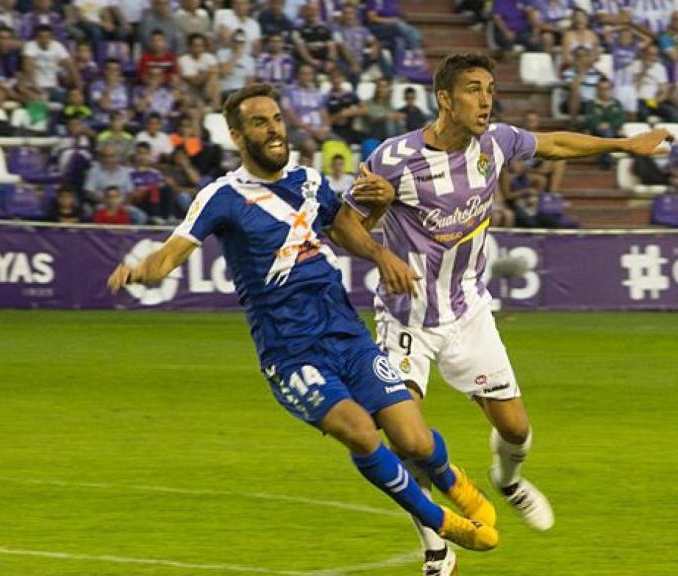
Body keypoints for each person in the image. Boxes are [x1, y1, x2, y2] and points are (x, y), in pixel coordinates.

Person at [106, 83, 499, 557]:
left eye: (276, 120)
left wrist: (379, 249)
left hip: (346, 333)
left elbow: (342, 228)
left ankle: (453, 480)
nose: (273, 130)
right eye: (259, 123)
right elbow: (169, 256)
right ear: (236, 135)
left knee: (412, 436)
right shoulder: (222, 197)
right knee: (357, 429)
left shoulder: (309, 182)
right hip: (292, 352)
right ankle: (445, 526)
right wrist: (139, 271)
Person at [347, 53, 672, 576]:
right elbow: (344, 225)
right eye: (474, 89)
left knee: (516, 429)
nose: (486, 99)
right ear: (445, 98)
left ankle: (508, 479)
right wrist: (382, 247)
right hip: (406, 318)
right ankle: (436, 547)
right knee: (407, 436)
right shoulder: (394, 158)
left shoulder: (495, 143)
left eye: (491, 89)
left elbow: (556, 143)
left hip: (469, 312)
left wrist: (622, 146)